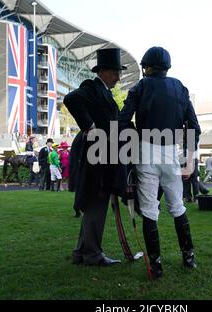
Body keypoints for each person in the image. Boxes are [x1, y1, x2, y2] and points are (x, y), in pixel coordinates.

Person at [119, 46, 201, 279]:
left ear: (146, 67)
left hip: (146, 151)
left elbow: (122, 119)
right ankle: (189, 258)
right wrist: (189, 159)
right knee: (178, 207)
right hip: (172, 152)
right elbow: (194, 127)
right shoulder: (180, 87)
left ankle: (156, 266)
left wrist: (134, 135)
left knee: (149, 211)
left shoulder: (141, 86)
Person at [64, 48, 126, 266]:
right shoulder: (92, 87)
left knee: (94, 202)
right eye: (115, 72)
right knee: (97, 202)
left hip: (101, 154)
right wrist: (90, 127)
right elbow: (70, 99)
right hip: (97, 155)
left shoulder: (105, 92)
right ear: (104, 72)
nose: (118, 77)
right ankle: (93, 255)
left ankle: (81, 252)